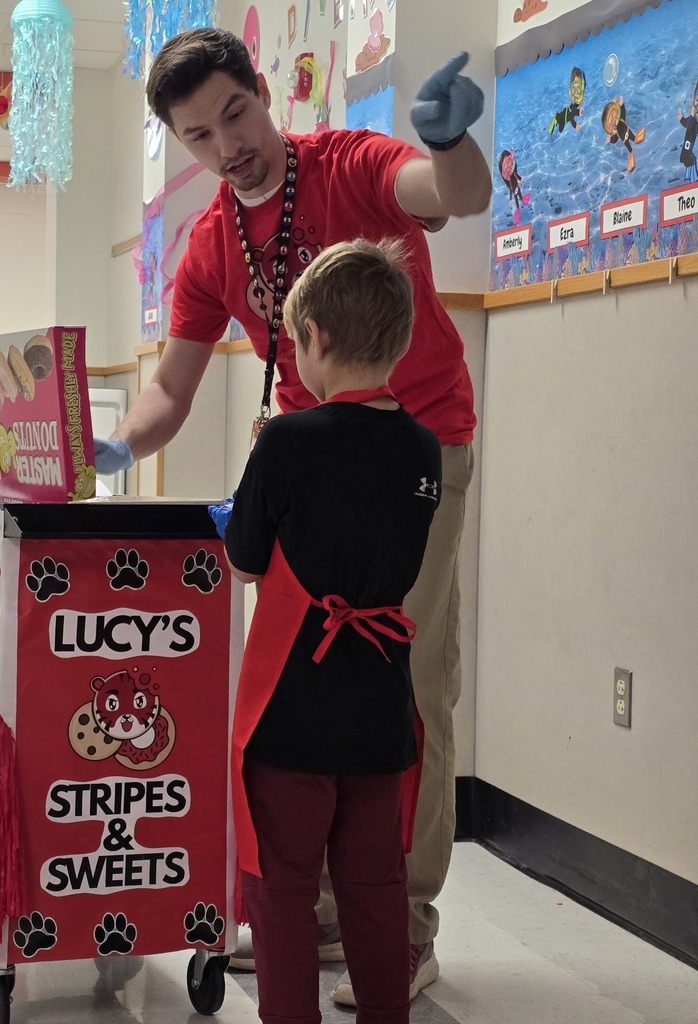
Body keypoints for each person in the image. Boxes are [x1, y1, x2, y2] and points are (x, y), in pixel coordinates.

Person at [94, 27, 488, 1003]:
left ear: (262, 92)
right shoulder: (206, 246)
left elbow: (452, 195)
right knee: (301, 691)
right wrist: (104, 449)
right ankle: (313, 911)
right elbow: (169, 395)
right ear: (184, 148)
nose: (226, 143)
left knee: (406, 675)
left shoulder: (348, 163)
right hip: (309, 469)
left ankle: (404, 926)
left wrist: (447, 140)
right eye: (197, 135)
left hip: (415, 446)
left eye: (233, 113)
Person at [223, 236, 439, 1024]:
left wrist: (262, 474)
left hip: (293, 709)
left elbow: (245, 560)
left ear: (311, 337)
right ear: (401, 338)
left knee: (280, 888)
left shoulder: (287, 438)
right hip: (380, 706)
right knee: (375, 886)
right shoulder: (422, 445)